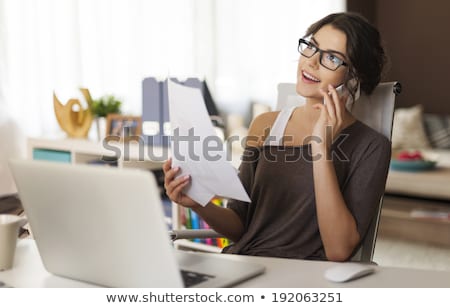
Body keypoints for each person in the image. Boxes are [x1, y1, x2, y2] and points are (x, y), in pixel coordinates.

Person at [163, 12, 391, 261]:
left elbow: (338, 250)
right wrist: (196, 203)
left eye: (332, 58)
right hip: (245, 264)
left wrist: (320, 149)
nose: (311, 62)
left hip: (304, 277)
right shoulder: (265, 124)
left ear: (354, 78)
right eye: (311, 47)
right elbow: (240, 226)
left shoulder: (372, 146)